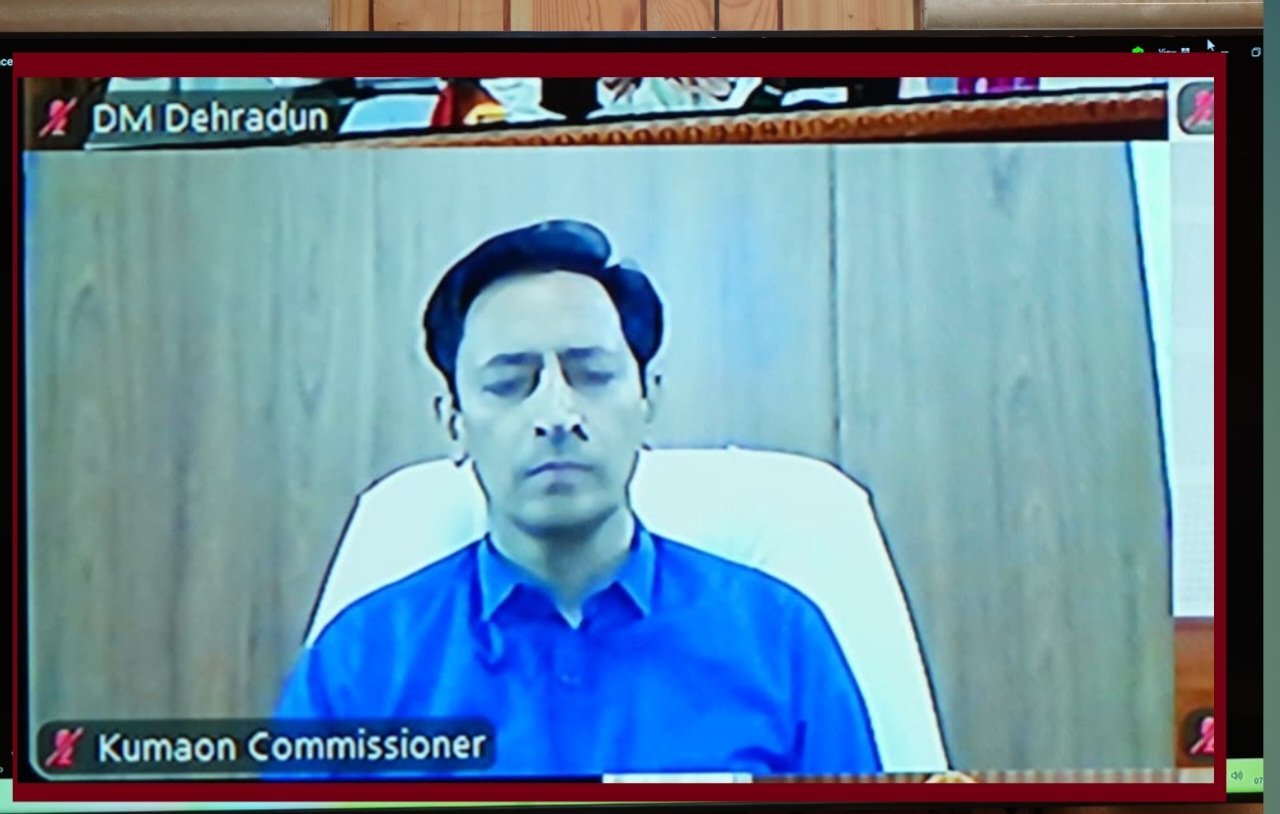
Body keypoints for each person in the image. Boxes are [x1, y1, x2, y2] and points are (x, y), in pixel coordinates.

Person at [275, 219, 882, 777]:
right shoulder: (359, 661)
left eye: (591, 375)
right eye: (509, 383)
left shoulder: (780, 638)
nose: (557, 414)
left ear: (647, 401)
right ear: (453, 423)